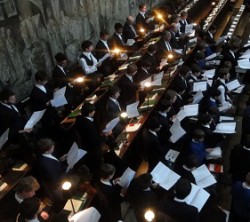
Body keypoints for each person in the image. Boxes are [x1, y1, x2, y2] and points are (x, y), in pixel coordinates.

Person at [74, 103, 111, 179]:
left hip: (86, 147)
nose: (95, 112)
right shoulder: (89, 125)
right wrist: (106, 135)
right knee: (97, 168)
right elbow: (95, 140)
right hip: (93, 151)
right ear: (90, 113)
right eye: (94, 111)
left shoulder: (79, 118)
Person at [29, 71, 58, 138]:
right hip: (46, 116)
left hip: (52, 111)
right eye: (45, 80)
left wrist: (53, 92)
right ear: (39, 81)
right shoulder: (34, 93)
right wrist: (47, 104)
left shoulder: (45, 86)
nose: (47, 81)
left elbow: (49, 93)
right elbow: (35, 108)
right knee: (51, 131)